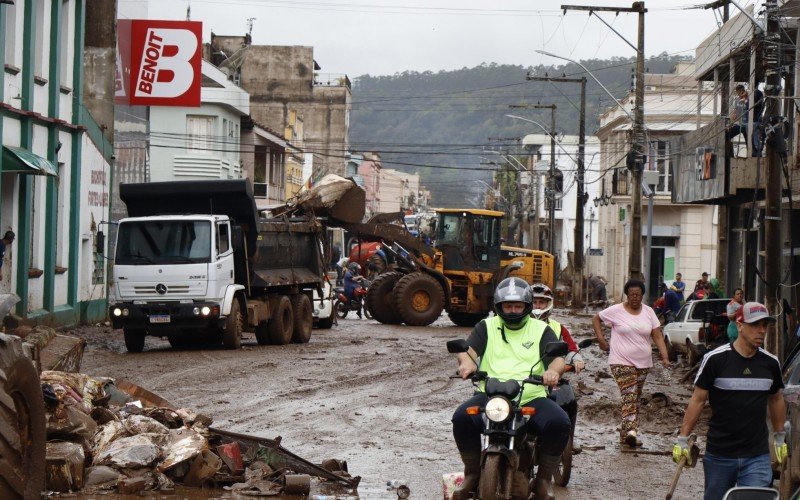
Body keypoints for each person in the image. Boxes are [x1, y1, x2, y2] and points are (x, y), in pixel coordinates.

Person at [451, 277, 570, 500]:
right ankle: (472, 474)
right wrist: (466, 363)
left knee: (559, 422)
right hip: (490, 396)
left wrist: (553, 371)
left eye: (518, 306)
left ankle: (543, 481)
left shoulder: (541, 329)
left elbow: (558, 359)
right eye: (508, 306)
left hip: (530, 396)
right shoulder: (486, 326)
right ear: (499, 306)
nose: (513, 311)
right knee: (461, 417)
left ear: (527, 306)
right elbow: (467, 351)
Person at [673, 302, 785, 500]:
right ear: (740, 325)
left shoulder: (770, 363)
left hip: (757, 455)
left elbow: (776, 398)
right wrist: (683, 439)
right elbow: (698, 400)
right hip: (720, 455)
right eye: (755, 325)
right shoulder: (715, 359)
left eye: (764, 325)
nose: (761, 331)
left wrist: (779, 436)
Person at [592, 279, 671, 447]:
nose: (635, 298)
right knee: (629, 394)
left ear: (642, 295)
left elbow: (657, 335)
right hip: (620, 361)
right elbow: (596, 319)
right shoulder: (616, 310)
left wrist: (665, 357)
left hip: (643, 363)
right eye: (632, 294)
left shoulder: (649, 312)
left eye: (638, 295)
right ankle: (632, 432)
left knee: (634, 397)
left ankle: (625, 434)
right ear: (627, 295)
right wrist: (601, 339)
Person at [530, 282, 586, 454]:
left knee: (569, 400)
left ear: (549, 304)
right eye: (534, 302)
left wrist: (576, 359)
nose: (538, 306)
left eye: (542, 302)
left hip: (552, 377)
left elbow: (571, 348)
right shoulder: (516, 325)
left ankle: (569, 438)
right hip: (521, 378)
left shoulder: (557, 327)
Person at [725, 84, 764, 156]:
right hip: (741, 124)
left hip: (750, 124)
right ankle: (729, 154)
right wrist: (732, 119)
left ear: (744, 90)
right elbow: (735, 113)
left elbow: (753, 107)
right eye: (738, 93)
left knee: (751, 142)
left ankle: (754, 156)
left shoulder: (751, 97)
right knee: (728, 134)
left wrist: (746, 100)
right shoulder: (738, 101)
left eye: (741, 92)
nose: (740, 94)